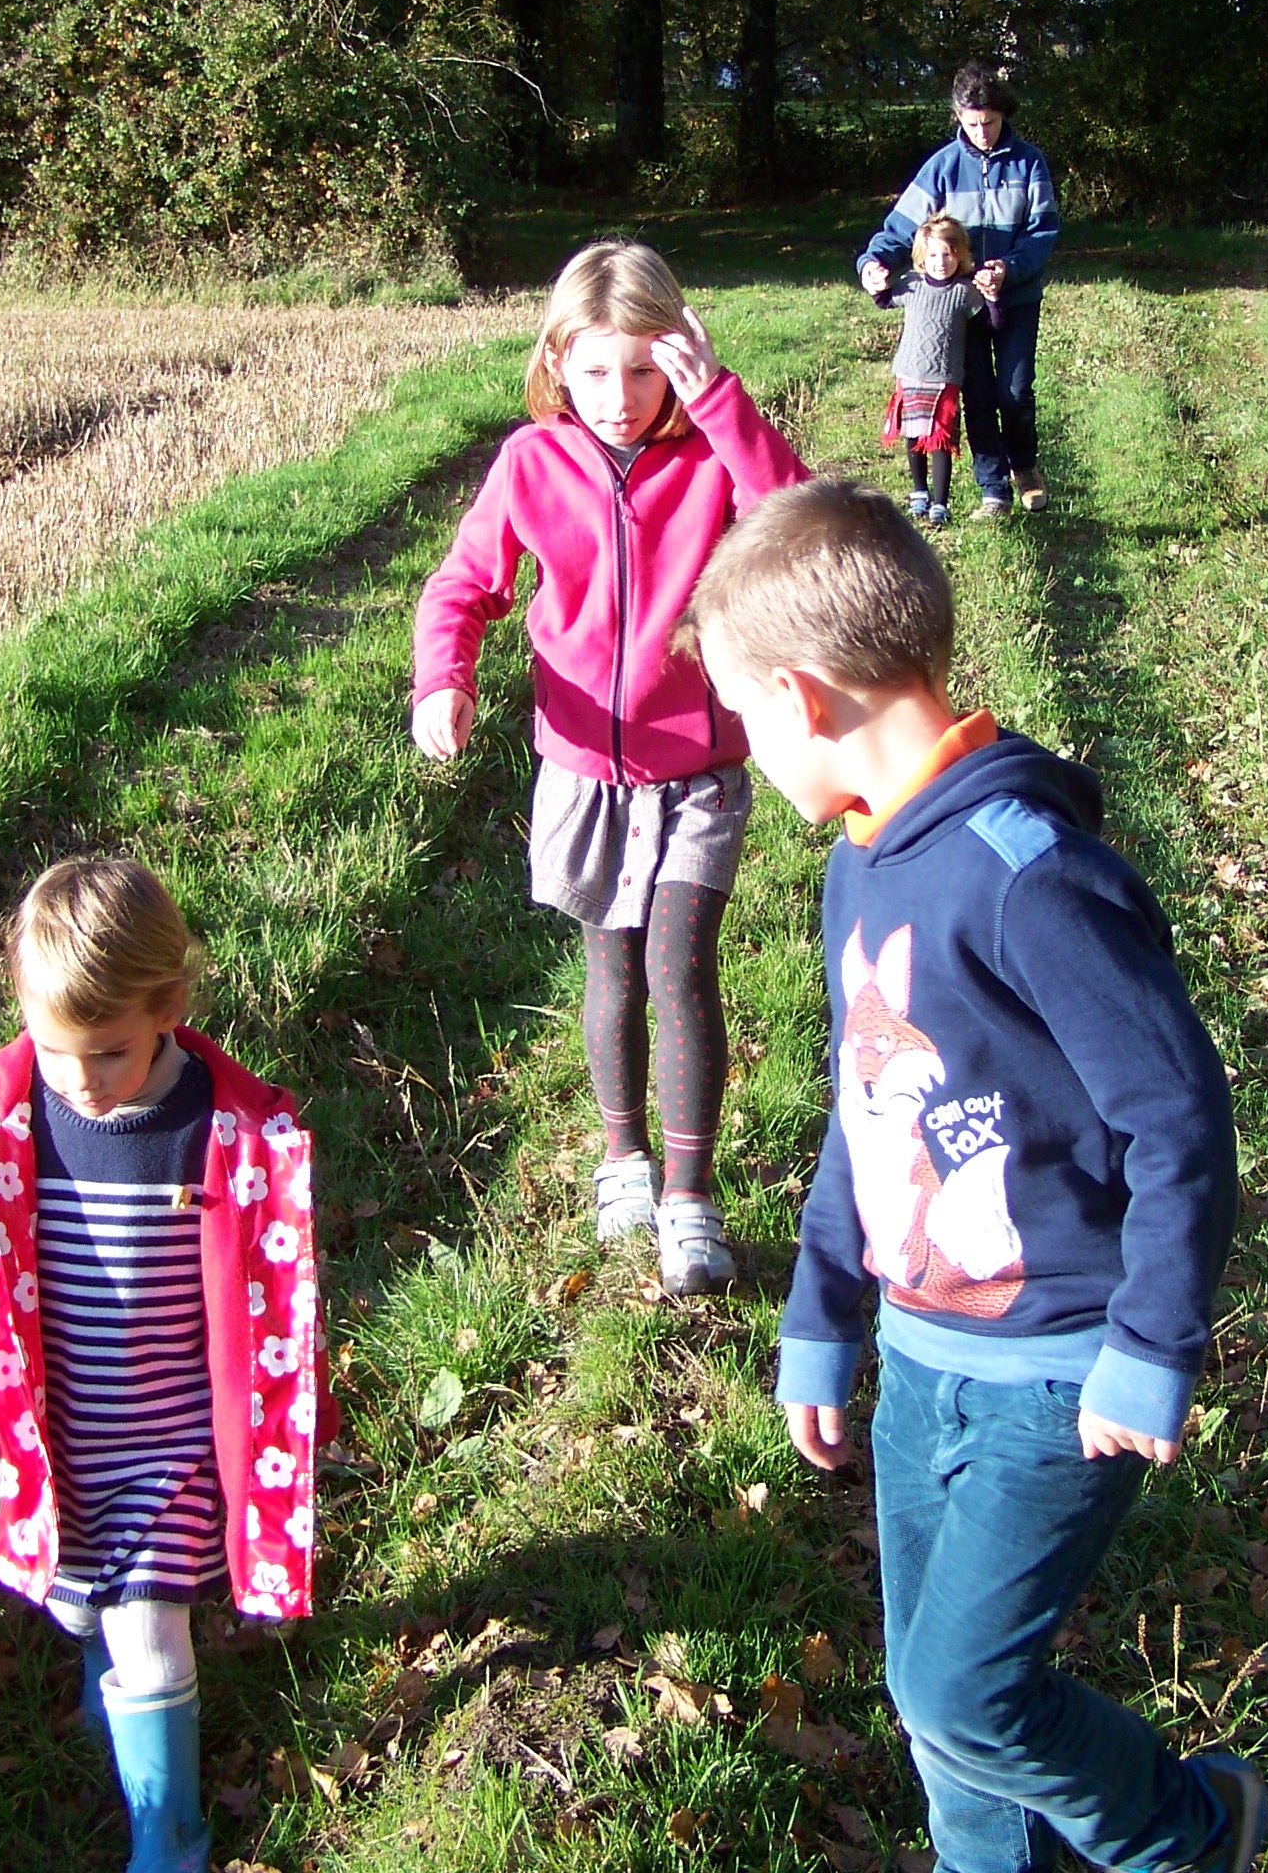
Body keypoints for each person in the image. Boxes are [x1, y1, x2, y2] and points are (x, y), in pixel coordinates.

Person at [683, 480, 1267, 1873]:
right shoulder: (861, 863)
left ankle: (1190, 1832)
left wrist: (1152, 1343)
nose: (746, 755)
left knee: (966, 1690)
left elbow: (1178, 1118)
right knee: (933, 1704)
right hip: (919, 1355)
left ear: (804, 696)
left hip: (1063, 1371)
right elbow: (864, 1117)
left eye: (746, 722)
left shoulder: (1029, 875)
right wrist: (823, 1318)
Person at [0, 857, 321, 1873]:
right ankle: (134, 1718)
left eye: (111, 1054)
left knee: (148, 1627)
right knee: (88, 1605)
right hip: (53, 1447)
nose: (83, 1083)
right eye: (58, 1054)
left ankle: (169, 1838)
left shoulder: (223, 1133)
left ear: (170, 1009)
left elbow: (266, 1287)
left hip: (169, 1445)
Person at [410, 239, 810, 1295]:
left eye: (645, 369)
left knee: (681, 964)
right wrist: (442, 680)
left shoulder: (712, 453)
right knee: (614, 965)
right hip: (584, 767)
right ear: (557, 361)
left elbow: (799, 522)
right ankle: (623, 1158)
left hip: (700, 767)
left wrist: (719, 403)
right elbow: (461, 586)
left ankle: (689, 1195)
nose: (621, 398)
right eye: (595, 371)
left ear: (679, 360)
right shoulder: (531, 464)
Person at [858, 64, 1061, 518]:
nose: (983, 131)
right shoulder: (941, 168)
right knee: (978, 394)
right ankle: (993, 491)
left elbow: (1042, 232)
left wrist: (1007, 270)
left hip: (1016, 298)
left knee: (1015, 390)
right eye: (972, 123)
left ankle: (1024, 466)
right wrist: (872, 262)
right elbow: (900, 227)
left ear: (1002, 114)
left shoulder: (1029, 162)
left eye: (990, 121)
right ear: (958, 117)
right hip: (959, 308)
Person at [875, 213, 1000, 526]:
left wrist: (994, 299)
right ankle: (919, 492)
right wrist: (877, 277)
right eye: (932, 255)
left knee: (940, 439)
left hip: (944, 377)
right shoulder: (911, 285)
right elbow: (884, 300)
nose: (940, 262)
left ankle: (940, 503)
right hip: (910, 372)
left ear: (960, 256)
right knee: (913, 434)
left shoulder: (964, 292)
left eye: (948, 254)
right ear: (921, 257)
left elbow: (991, 323)